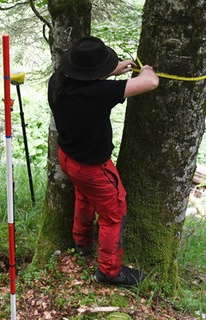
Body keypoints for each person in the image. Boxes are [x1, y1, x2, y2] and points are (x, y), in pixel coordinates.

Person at [48, 36, 159, 287]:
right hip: (93, 168)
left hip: (68, 158)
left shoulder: (59, 81)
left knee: (84, 197)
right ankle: (109, 272)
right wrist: (149, 70)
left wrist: (112, 69)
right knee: (114, 213)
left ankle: (82, 243)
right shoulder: (99, 93)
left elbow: (88, 82)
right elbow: (150, 82)